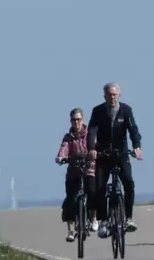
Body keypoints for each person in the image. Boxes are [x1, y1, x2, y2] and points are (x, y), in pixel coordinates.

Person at [86, 83, 143, 238]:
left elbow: (133, 130)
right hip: (103, 155)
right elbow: (91, 131)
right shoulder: (97, 111)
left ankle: (128, 218)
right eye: (109, 95)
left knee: (129, 182)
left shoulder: (126, 110)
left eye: (115, 94)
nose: (112, 97)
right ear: (105, 96)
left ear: (119, 95)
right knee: (99, 187)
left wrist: (137, 146)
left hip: (121, 154)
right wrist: (91, 148)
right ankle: (103, 220)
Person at [56, 108, 98, 241]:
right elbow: (64, 147)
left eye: (78, 119)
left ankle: (94, 219)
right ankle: (70, 230)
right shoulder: (68, 137)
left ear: (82, 120)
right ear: (70, 121)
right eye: (74, 120)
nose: (76, 122)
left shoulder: (89, 134)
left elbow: (95, 147)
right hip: (74, 170)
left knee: (92, 192)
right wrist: (60, 157)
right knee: (70, 199)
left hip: (89, 169)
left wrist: (95, 154)